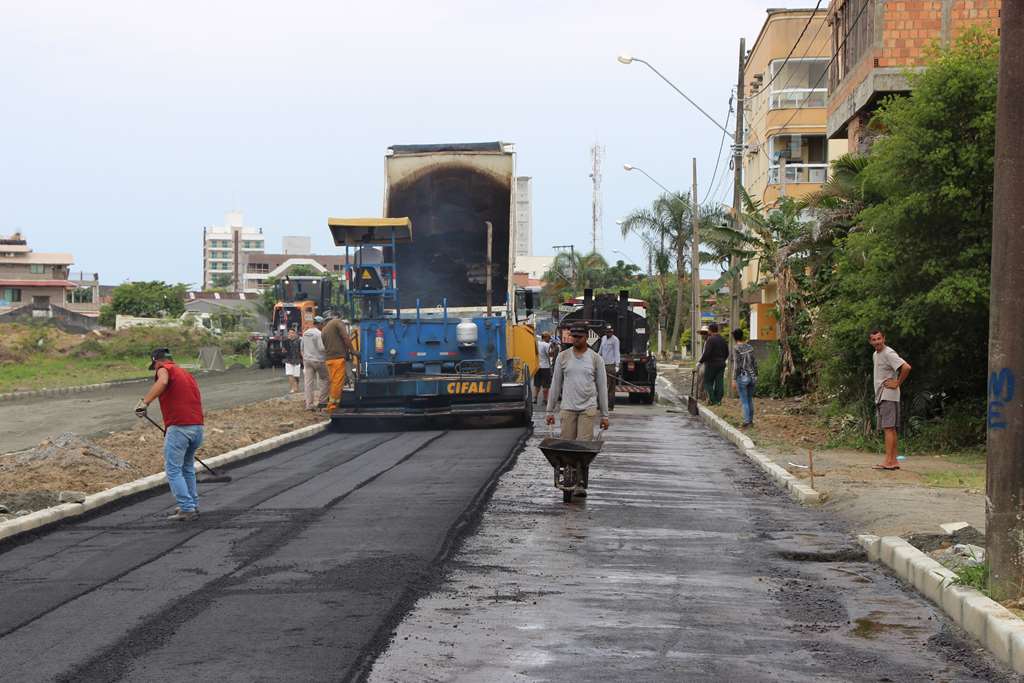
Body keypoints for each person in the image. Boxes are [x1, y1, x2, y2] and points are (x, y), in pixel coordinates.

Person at [134, 348, 204, 522]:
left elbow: (163, 381)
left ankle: (187, 509)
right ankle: (192, 504)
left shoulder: (164, 369)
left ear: (157, 362)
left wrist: (144, 402)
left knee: (173, 469)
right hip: (197, 427)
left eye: (155, 366)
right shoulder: (185, 373)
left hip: (180, 428)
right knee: (187, 467)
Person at [545, 326, 610, 496]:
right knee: (566, 447)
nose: (575, 339)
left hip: (587, 409)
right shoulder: (563, 357)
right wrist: (549, 411)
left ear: (587, 337)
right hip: (567, 408)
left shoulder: (596, 359)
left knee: (583, 449)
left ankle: (580, 482)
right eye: (573, 336)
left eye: (579, 337)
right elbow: (555, 384)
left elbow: (602, 388)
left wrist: (605, 415)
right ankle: (569, 475)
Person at [870, 329, 911, 471]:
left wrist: (897, 382)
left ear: (884, 339)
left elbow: (906, 367)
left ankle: (888, 461)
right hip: (882, 396)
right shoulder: (876, 355)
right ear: (871, 342)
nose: (877, 342)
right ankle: (893, 461)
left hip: (888, 395)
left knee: (888, 428)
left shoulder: (888, 353)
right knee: (891, 429)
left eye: (879, 338)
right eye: (874, 339)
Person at [321, 312, 356, 411]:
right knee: (337, 383)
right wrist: (353, 350)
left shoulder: (324, 329)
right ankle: (332, 406)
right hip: (338, 359)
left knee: (333, 382)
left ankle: (333, 403)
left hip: (329, 359)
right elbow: (345, 337)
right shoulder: (337, 322)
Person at [731, 328, 758, 427]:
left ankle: (746, 422)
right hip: (752, 375)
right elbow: (755, 362)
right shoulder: (750, 347)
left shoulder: (736, 348)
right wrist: (756, 375)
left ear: (734, 337)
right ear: (742, 336)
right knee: (750, 399)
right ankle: (750, 421)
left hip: (742, 377)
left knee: (744, 400)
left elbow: (736, 365)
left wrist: (734, 379)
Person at [301, 315, 329, 411]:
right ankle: (322, 402)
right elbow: (321, 348)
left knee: (308, 382)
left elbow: (302, 347)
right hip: (319, 360)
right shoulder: (318, 334)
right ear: (320, 324)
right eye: (323, 324)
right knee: (324, 379)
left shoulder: (305, 333)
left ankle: (309, 404)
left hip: (307, 360)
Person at [698, 322, 729, 405]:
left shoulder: (710, 340)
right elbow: (727, 353)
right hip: (721, 364)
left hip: (711, 364)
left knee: (707, 382)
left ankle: (713, 400)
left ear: (710, 330)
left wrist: (700, 362)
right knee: (719, 383)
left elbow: (707, 353)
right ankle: (718, 400)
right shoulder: (723, 340)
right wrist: (722, 360)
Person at [597, 324, 621, 411]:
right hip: (602, 365)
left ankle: (610, 406)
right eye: (607, 332)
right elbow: (600, 350)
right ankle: (600, 405)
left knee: (610, 387)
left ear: (612, 332)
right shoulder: (603, 338)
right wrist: (597, 358)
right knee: (601, 385)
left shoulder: (615, 340)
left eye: (610, 332)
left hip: (611, 366)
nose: (609, 333)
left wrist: (617, 365)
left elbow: (617, 353)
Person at [535, 332, 554, 405]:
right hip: (545, 367)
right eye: (549, 338)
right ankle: (545, 399)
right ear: (545, 337)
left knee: (537, 384)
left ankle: (535, 398)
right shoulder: (547, 345)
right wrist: (553, 348)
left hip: (537, 366)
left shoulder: (537, 344)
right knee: (546, 385)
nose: (549, 339)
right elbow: (550, 354)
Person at [283, 328, 302, 393]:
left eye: (292, 333)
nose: (290, 334)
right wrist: (288, 340)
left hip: (297, 360)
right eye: (289, 333)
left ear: (295, 334)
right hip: (288, 360)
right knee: (290, 374)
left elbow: (301, 351)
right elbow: (284, 349)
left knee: (296, 376)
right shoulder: (286, 341)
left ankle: (297, 387)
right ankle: (292, 388)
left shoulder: (299, 341)